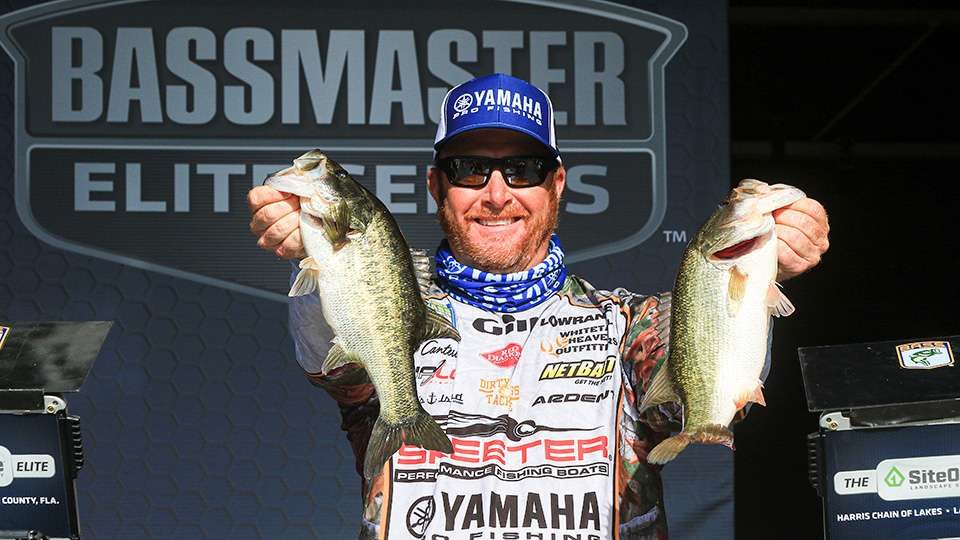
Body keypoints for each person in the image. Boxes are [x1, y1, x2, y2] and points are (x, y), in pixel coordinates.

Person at [247, 73, 830, 539]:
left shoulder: (627, 324)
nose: (496, 194)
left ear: (556, 185)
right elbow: (337, 366)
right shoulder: (393, 311)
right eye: (471, 169)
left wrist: (760, 269)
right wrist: (318, 252)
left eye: (521, 170)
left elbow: (699, 396)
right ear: (436, 186)